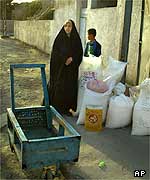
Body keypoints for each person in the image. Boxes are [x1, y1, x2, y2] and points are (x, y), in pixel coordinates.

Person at [48, 19, 83, 115]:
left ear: (73, 28)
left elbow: (79, 53)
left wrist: (72, 59)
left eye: (69, 26)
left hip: (71, 70)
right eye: (65, 26)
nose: (67, 28)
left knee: (69, 89)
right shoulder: (59, 38)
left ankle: (67, 109)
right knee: (59, 88)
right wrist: (64, 59)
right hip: (60, 69)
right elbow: (55, 53)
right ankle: (57, 109)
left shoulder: (76, 39)